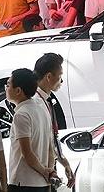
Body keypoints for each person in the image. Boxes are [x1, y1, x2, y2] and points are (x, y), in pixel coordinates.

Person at [6, 68, 56, 192]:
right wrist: (49, 172)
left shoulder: (22, 115)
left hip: (23, 182)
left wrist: (45, 172)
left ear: (18, 91)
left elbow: (27, 153)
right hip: (41, 183)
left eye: (8, 85)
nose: (6, 88)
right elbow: (50, 148)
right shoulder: (42, 111)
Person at [33, 53, 75, 188]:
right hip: (38, 176)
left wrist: (64, 163)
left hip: (47, 173)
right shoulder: (36, 104)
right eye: (60, 76)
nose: (61, 81)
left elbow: (51, 138)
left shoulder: (45, 101)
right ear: (49, 77)